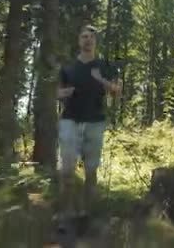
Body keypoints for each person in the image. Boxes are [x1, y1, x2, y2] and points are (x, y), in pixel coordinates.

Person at [56, 24, 121, 220]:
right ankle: (65, 213)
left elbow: (117, 90)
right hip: (70, 121)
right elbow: (56, 92)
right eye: (84, 36)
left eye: (91, 37)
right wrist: (64, 93)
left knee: (91, 172)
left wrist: (101, 80)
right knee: (67, 170)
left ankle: (88, 215)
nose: (88, 40)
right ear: (79, 40)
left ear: (95, 42)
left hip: (95, 122)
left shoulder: (104, 66)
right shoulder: (68, 66)